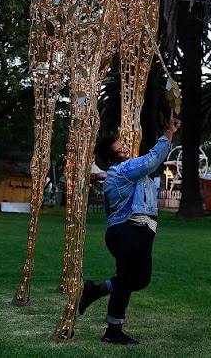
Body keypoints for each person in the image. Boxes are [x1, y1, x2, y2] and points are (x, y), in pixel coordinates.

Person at [78, 113, 181, 345]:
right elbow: (153, 159)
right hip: (130, 231)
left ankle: (96, 291)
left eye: (124, 145)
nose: (126, 147)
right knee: (127, 280)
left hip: (130, 232)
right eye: (121, 148)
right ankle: (113, 330)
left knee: (140, 279)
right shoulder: (124, 169)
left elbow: (137, 170)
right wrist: (169, 132)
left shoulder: (118, 172)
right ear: (112, 157)